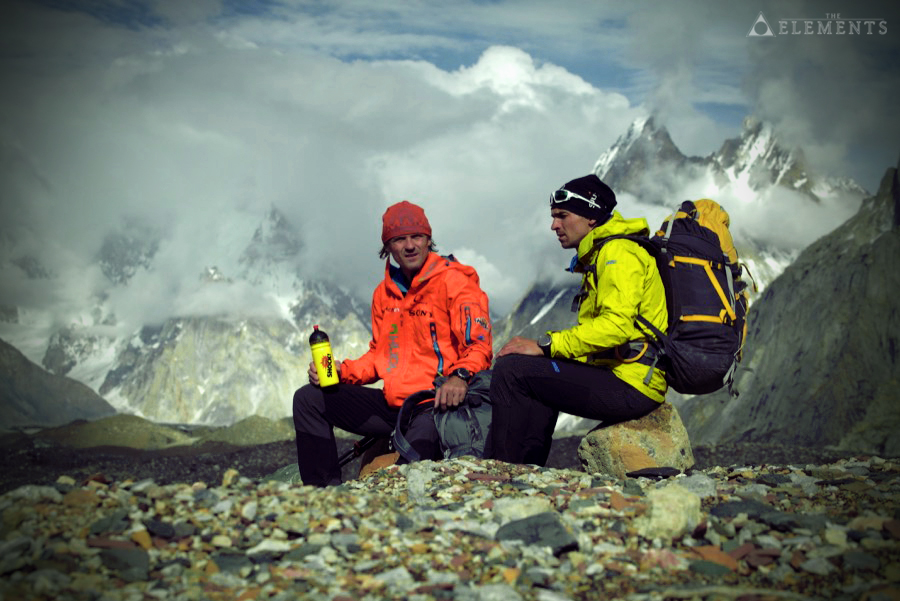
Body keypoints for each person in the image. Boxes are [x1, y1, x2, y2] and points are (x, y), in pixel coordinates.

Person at [292, 200, 493, 486]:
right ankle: (322, 493)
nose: (410, 246)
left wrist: (459, 377)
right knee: (309, 399)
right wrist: (342, 371)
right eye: (399, 239)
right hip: (393, 406)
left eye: (417, 237)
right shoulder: (384, 294)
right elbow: (379, 355)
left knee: (410, 474)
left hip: (434, 405)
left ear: (428, 240)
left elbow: (479, 345)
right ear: (388, 247)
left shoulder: (455, 282)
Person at [489, 174, 668, 466]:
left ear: (591, 217)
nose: (554, 225)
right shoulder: (602, 253)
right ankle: (525, 469)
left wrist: (547, 345)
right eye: (553, 217)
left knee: (514, 370)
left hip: (631, 384)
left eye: (562, 216)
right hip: (623, 375)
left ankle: (502, 468)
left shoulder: (617, 253)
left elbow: (617, 327)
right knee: (532, 372)